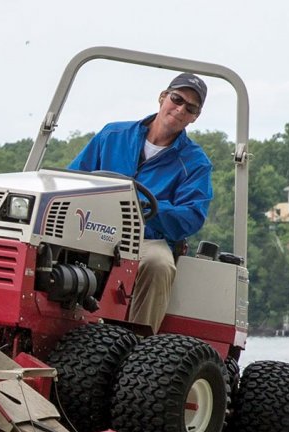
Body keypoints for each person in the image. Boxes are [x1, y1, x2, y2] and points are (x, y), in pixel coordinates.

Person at [69, 72, 213, 332]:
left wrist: (145, 206)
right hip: (90, 229)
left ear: (194, 117)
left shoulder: (194, 162)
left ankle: (138, 348)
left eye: (190, 108)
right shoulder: (112, 135)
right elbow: (72, 180)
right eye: (177, 99)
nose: (180, 109)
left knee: (158, 264)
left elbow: (191, 216)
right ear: (162, 97)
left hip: (147, 240)